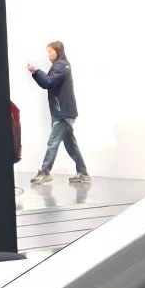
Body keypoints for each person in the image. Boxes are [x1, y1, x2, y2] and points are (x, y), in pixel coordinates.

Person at [25, 41, 88, 185]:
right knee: (71, 145)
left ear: (58, 51)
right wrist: (36, 73)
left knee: (52, 143)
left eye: (50, 51)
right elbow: (46, 84)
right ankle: (83, 172)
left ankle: (45, 172)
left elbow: (49, 82)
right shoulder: (59, 66)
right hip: (62, 111)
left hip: (63, 113)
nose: (48, 55)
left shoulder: (61, 66)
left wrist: (37, 71)